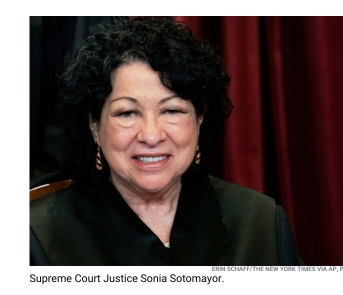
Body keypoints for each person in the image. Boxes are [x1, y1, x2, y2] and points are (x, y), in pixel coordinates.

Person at [30, 16, 303, 266]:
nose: (151, 135)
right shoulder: (36, 238)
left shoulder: (260, 222)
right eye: (127, 113)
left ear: (199, 119)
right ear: (94, 126)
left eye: (172, 110)